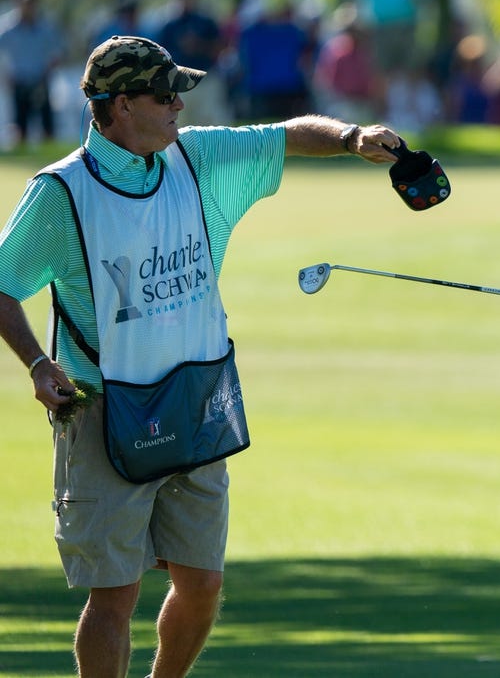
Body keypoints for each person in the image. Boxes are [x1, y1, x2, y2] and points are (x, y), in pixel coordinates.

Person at [0, 35, 404, 677]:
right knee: (115, 597)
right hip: (105, 413)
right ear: (121, 105)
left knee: (203, 584)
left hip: (196, 402)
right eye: (164, 96)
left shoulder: (196, 158)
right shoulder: (61, 193)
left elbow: (284, 135)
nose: (178, 107)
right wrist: (35, 362)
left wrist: (352, 137)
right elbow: (1, 284)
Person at [0, 0, 64, 146]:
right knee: (20, 127)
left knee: (47, 127)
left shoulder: (45, 27)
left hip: (40, 81)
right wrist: (5, 73)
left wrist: (49, 69)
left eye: (33, 1)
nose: (29, 5)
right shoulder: (8, 27)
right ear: (17, 1)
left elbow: (58, 52)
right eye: (26, 1)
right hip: (19, 81)